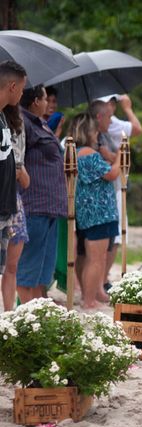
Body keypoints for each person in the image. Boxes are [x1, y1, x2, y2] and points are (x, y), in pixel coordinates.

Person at [17, 84, 66, 304]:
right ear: (36, 101)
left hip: (50, 205)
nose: (48, 103)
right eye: (45, 99)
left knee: (44, 267)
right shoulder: (22, 123)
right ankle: (26, 315)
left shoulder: (40, 124)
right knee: (29, 266)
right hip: (34, 203)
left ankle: (39, 310)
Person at [67, 113, 120, 309]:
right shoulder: (88, 153)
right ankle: (89, 300)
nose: (98, 133)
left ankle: (91, 294)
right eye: (95, 130)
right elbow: (112, 174)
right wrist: (120, 155)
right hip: (98, 213)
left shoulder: (75, 151)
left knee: (85, 256)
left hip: (87, 213)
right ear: (88, 131)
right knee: (96, 259)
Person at [96, 94, 142, 293]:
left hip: (113, 184)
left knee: (109, 236)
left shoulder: (108, 123)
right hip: (112, 184)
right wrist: (128, 108)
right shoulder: (113, 124)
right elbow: (138, 129)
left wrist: (112, 156)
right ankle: (101, 280)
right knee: (112, 237)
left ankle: (100, 280)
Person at [0, 61, 27, 294]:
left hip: (5, 208)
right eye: (21, 88)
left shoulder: (3, 118)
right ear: (11, 86)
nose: (21, 93)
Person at [1, 103, 30, 310]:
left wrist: (18, 169)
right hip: (7, 197)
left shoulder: (18, 130)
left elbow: (25, 179)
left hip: (15, 201)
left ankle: (9, 312)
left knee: (12, 266)